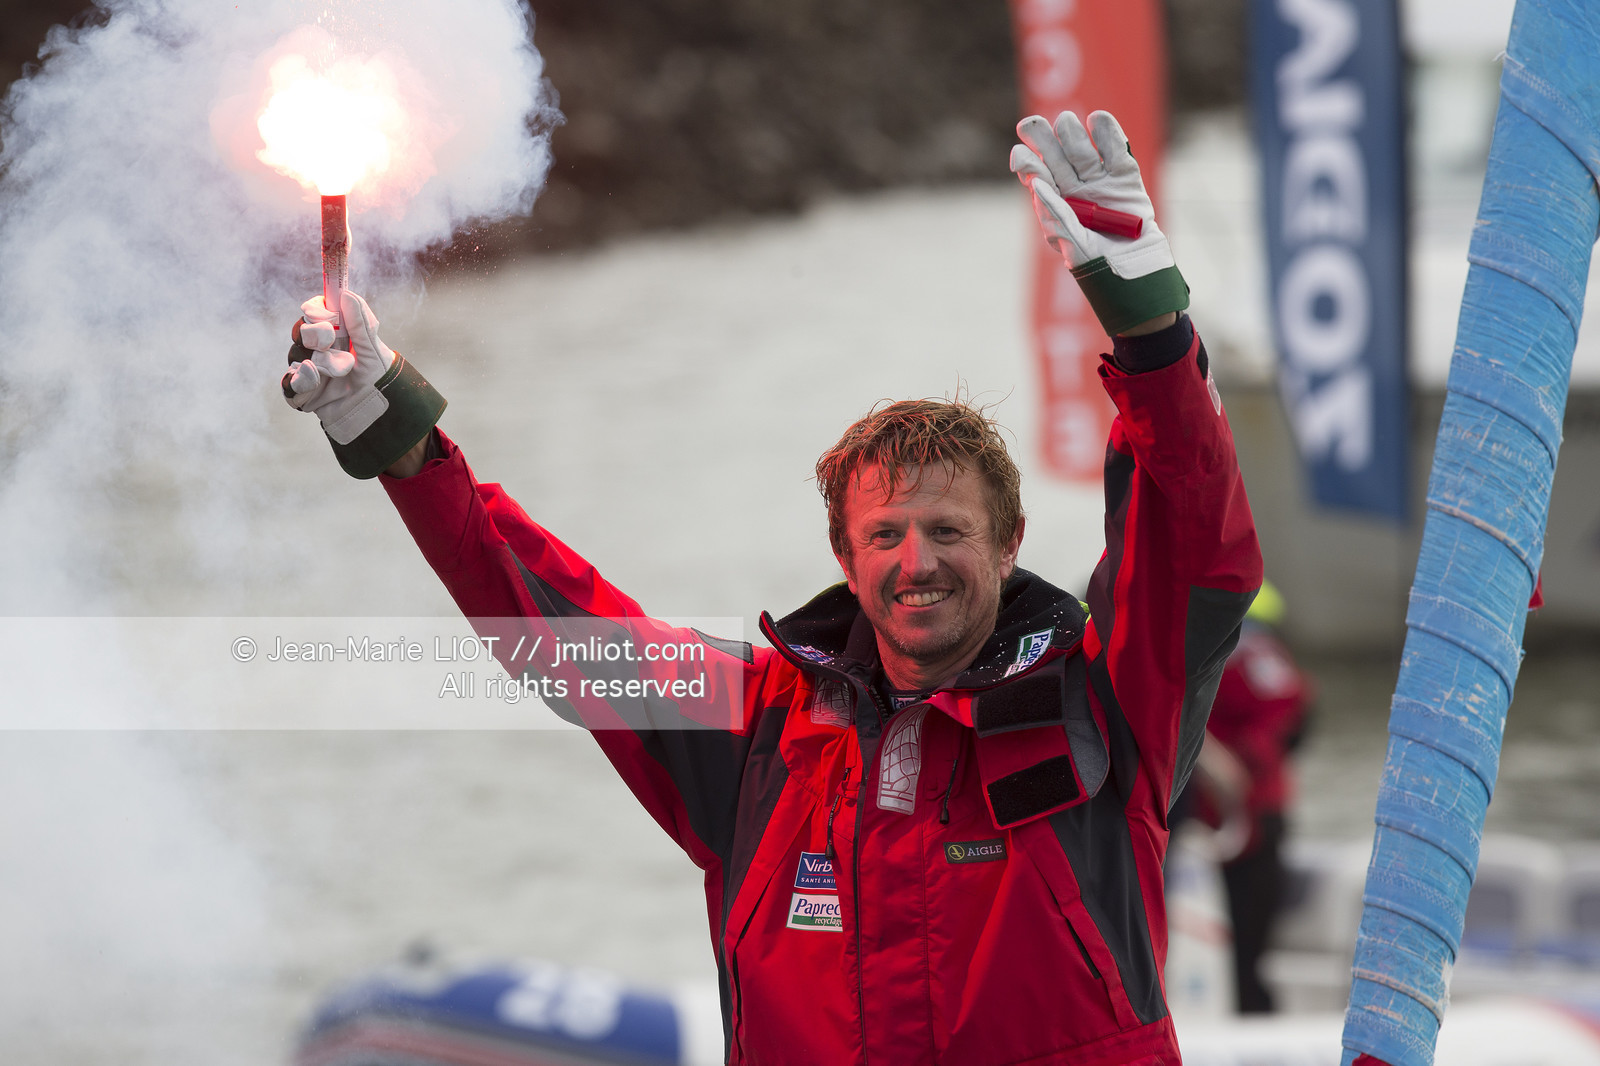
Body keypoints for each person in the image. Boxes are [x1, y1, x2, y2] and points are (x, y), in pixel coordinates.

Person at [282, 109, 1263, 1065]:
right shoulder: (753, 728)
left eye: (948, 530)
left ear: (1009, 543)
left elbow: (1196, 548)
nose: (916, 561)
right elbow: (558, 624)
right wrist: (406, 448)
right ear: (845, 555)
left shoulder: (1102, 701)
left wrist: (1151, 329)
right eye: (884, 533)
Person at [1186, 581, 1314, 1014]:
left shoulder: (1252, 651)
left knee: (1247, 950)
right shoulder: (1240, 648)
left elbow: (1287, 714)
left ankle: (1252, 1023)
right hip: (1205, 822)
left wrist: (1235, 765)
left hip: (1245, 822)